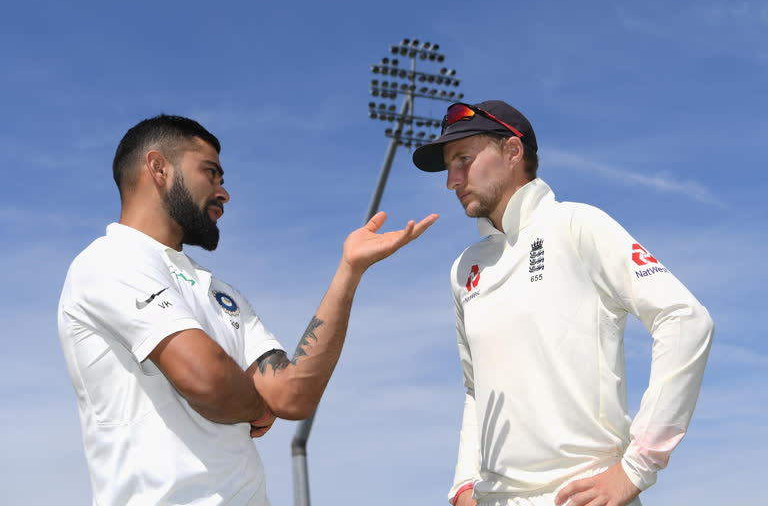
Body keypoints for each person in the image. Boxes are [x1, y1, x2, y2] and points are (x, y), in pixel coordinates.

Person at [57, 114, 438, 505]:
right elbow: (207, 381)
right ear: (158, 168)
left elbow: (292, 395)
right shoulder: (110, 260)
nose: (224, 193)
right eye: (211, 174)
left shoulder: (221, 293)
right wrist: (259, 407)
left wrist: (349, 271)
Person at [412, 101, 713, 506]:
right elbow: (475, 389)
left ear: (512, 152)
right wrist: (464, 483)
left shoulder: (576, 224)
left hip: (580, 493)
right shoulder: (465, 269)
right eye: (450, 167)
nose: (452, 180)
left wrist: (637, 467)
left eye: (463, 159)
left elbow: (685, 319)